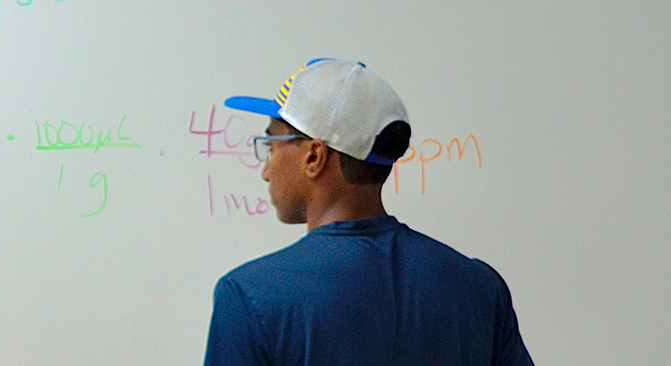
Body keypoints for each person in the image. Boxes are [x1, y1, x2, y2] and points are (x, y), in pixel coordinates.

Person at [205, 58, 534, 365]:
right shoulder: (478, 288)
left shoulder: (250, 298)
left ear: (314, 156)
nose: (266, 170)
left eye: (271, 145)